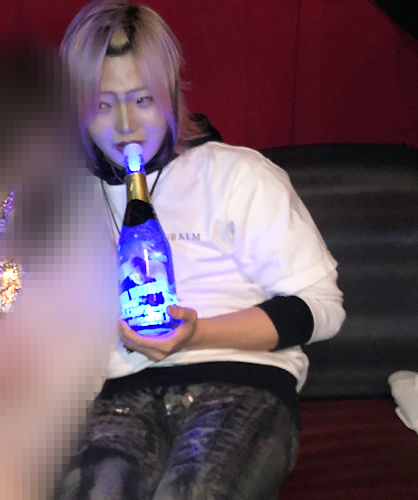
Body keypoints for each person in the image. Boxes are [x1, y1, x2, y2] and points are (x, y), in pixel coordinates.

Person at [56, 1, 345, 499]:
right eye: (103, 105)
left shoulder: (236, 174)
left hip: (241, 385)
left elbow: (321, 309)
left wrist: (196, 334)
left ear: (171, 95)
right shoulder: (61, 203)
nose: (127, 125)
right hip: (115, 401)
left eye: (142, 99)